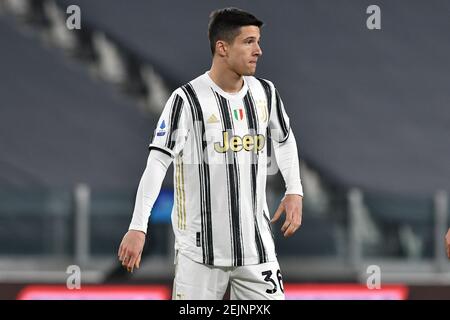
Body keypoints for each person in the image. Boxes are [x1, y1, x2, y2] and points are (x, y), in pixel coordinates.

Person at [118, 7, 303, 300]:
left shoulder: (265, 93)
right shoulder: (187, 101)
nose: (259, 50)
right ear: (222, 48)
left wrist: (294, 190)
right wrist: (138, 227)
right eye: (249, 42)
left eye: (258, 41)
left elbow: (284, 139)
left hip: (257, 249)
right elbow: (157, 163)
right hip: (200, 254)